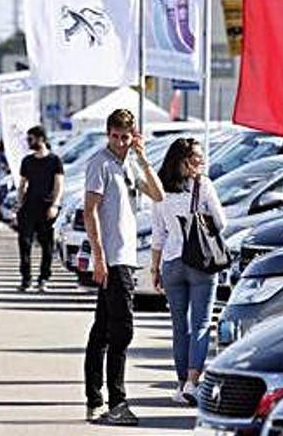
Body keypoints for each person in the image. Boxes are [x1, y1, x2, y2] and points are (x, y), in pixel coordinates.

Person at [83, 109, 164, 426]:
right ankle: (116, 401)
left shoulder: (129, 162)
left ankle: (95, 400)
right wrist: (99, 257)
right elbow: (90, 212)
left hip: (126, 258)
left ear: (133, 136)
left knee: (102, 331)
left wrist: (142, 158)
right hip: (113, 260)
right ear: (108, 134)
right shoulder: (99, 163)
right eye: (115, 136)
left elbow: (158, 194)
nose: (119, 142)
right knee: (121, 331)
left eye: (125, 137)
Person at [150, 138, 226, 405]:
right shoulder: (203, 186)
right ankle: (193, 384)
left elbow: (158, 233)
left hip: (171, 262)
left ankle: (180, 384)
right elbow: (221, 222)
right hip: (201, 263)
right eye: (197, 158)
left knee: (179, 326)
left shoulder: (160, 189)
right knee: (201, 323)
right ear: (185, 160)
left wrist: (154, 268)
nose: (201, 162)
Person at [16, 125, 64, 292]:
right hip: (28, 207)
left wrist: (55, 205)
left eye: (31, 139)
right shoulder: (27, 161)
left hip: (46, 208)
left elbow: (59, 185)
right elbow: (22, 184)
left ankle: (43, 279)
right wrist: (19, 203)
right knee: (24, 243)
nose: (28, 142)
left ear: (41, 139)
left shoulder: (54, 160)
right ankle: (25, 279)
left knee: (47, 245)